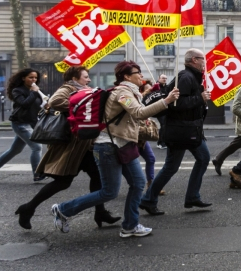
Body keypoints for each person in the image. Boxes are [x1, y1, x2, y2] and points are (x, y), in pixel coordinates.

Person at [51, 61, 179, 238]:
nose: (141, 76)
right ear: (127, 76)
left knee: (138, 183)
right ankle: (63, 210)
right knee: (109, 191)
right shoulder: (122, 92)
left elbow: (139, 112)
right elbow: (138, 113)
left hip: (124, 145)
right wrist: (166, 101)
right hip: (108, 147)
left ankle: (130, 225)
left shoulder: (132, 92)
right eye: (138, 73)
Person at [15, 67, 120, 230]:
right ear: (74, 78)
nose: (89, 80)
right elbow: (54, 102)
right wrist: (81, 106)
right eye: (85, 76)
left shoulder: (84, 90)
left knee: (98, 177)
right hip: (71, 145)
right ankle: (28, 208)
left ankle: (100, 212)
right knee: (63, 182)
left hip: (84, 145)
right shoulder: (67, 88)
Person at [139, 49, 212, 215]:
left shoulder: (191, 77)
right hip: (182, 131)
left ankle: (189, 196)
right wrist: (200, 98)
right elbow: (175, 104)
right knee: (174, 167)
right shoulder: (186, 77)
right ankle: (150, 200)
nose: (204, 63)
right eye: (202, 59)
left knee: (196, 160)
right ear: (194, 60)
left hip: (188, 130)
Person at [0, 68, 47, 183]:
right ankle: (37, 174)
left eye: (35, 77)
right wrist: (34, 92)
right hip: (20, 123)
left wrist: (45, 105)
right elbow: (24, 104)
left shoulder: (36, 90)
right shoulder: (17, 91)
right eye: (30, 77)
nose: (33, 79)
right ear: (23, 78)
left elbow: (38, 106)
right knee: (37, 147)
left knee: (15, 150)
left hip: (31, 123)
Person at [155, 74, 169, 150]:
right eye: (163, 78)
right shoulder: (156, 87)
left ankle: (163, 141)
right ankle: (160, 142)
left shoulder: (167, 87)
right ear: (159, 78)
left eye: (165, 78)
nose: (164, 79)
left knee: (166, 125)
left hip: (166, 109)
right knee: (163, 124)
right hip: (159, 109)